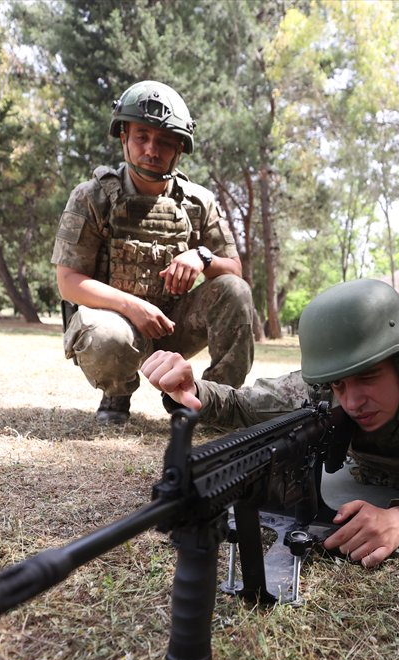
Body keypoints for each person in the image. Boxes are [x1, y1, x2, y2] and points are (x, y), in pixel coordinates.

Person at [142, 279, 399, 568]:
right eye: (339, 383)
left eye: (368, 378)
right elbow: (245, 406)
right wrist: (193, 389)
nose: (351, 401)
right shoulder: (329, 384)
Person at [51, 80, 254, 424]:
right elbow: (68, 282)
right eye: (141, 137)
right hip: (116, 327)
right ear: (123, 137)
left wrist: (202, 256)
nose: (151, 150)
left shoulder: (198, 202)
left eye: (164, 142)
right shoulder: (92, 197)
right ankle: (116, 394)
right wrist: (133, 306)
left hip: (172, 326)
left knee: (237, 291)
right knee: (106, 335)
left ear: (179, 149)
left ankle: (207, 400)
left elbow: (233, 270)